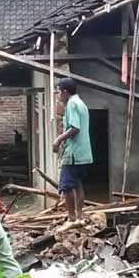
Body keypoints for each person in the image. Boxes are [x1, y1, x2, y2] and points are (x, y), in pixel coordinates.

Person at [52, 78, 93, 230]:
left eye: (58, 91)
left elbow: (75, 128)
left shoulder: (71, 104)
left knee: (65, 185)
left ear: (64, 92)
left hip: (74, 153)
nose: (57, 95)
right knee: (77, 184)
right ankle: (79, 215)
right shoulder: (81, 103)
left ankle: (72, 218)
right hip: (82, 151)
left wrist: (58, 140)